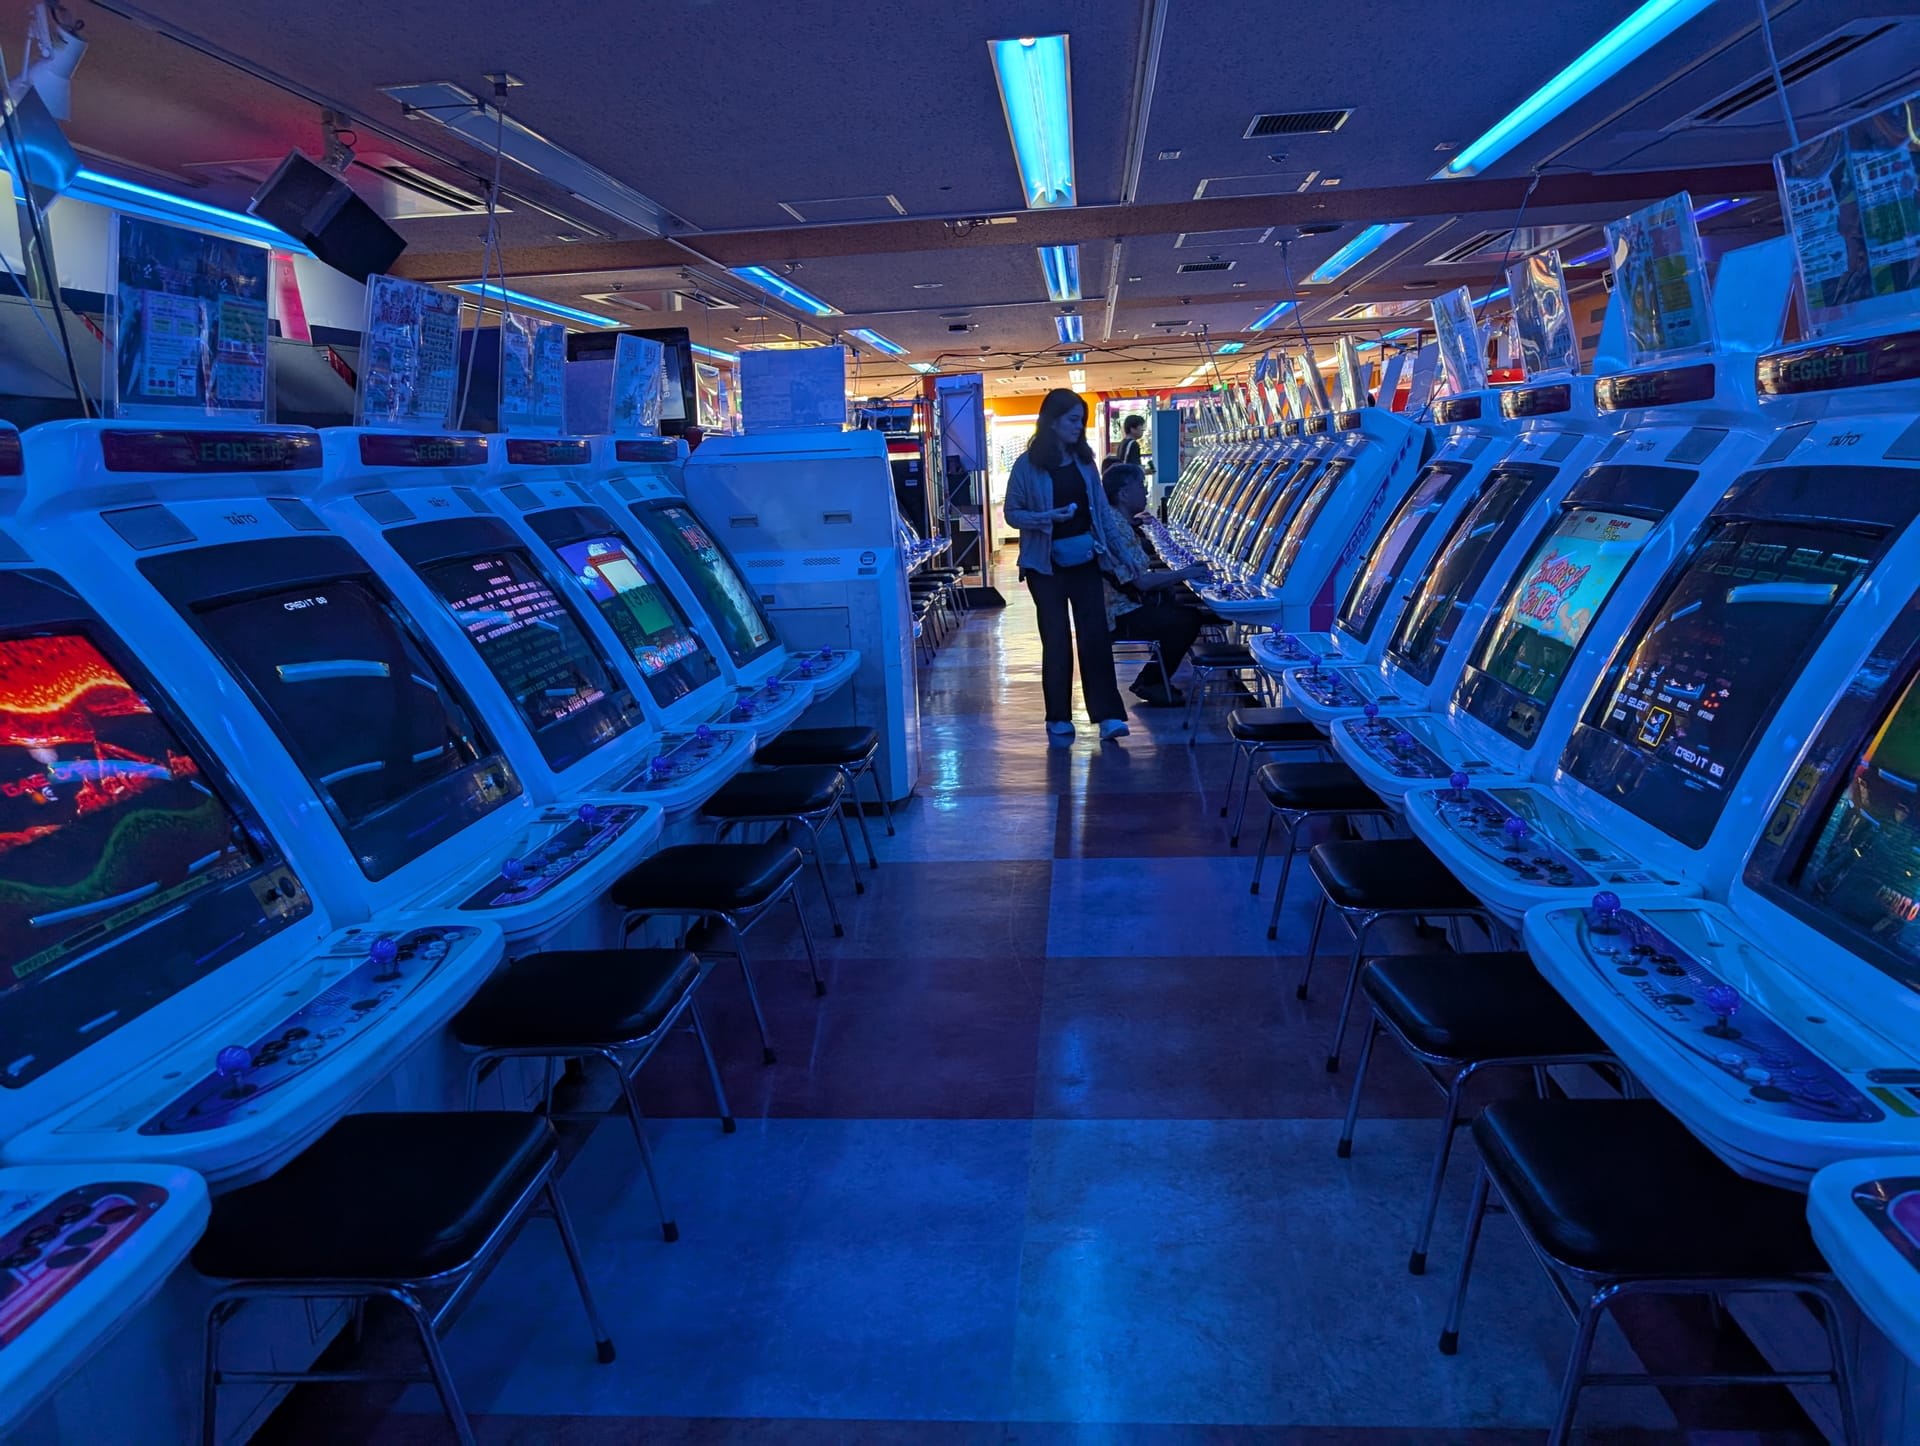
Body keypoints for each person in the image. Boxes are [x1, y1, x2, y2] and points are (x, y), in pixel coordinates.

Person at [1004, 389, 1131, 743]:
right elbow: (1012, 514)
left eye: (1081, 420)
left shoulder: (1084, 462)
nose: (1078, 427)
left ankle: (1108, 715)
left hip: (1086, 559)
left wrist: (1125, 558)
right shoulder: (1027, 465)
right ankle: (1058, 717)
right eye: (1073, 419)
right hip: (1043, 566)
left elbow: (1102, 514)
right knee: (1056, 639)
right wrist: (1047, 517)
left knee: (1095, 636)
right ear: (1053, 421)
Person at [1098, 463, 1211, 706]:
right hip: (1121, 614)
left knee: (1178, 608)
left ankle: (1153, 680)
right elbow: (1142, 582)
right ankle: (1151, 682)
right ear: (1124, 494)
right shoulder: (1116, 527)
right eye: (1141, 486)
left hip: (1121, 607)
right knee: (1188, 619)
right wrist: (1185, 572)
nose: (1146, 492)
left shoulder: (1119, 522)